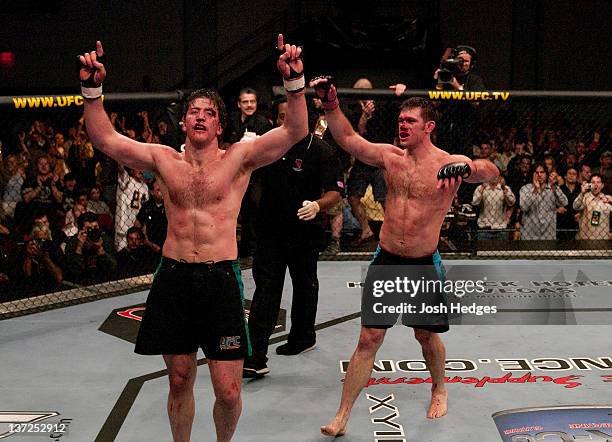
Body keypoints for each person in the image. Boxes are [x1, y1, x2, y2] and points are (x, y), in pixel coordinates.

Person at [78, 35, 307, 442]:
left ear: (219, 123)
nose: (200, 117)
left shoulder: (239, 158)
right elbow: (106, 139)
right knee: (180, 380)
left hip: (220, 279)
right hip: (175, 279)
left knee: (229, 389)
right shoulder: (163, 160)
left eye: (208, 113)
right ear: (183, 123)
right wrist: (92, 91)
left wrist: (295, 82)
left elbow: (295, 130)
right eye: (193, 113)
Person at [310, 77, 498, 436]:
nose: (402, 126)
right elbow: (349, 139)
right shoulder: (391, 157)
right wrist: (332, 106)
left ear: (428, 127)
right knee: (368, 339)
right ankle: (342, 414)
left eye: (410, 122)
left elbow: (491, 171)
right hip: (386, 259)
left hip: (423, 264)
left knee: (425, 336)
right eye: (400, 121)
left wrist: (470, 169)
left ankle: (439, 388)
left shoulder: (448, 163)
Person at [243, 98, 343, 377]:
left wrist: (318, 205)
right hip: (270, 231)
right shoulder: (269, 146)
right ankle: (255, 356)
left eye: (290, 115)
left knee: (305, 284)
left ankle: (303, 337)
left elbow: (335, 191)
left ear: (306, 119)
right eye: (280, 116)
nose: (285, 121)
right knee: (266, 289)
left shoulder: (322, 151)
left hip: (305, 231)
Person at [519, 163, 568, 240]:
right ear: (532, 174)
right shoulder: (525, 189)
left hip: (548, 234)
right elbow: (524, 208)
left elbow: (564, 202)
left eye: (542, 172)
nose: (539, 175)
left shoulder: (552, 187)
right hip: (529, 234)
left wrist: (554, 187)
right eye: (536, 172)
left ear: (546, 174)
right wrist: (535, 190)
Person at [573, 174, 610, 241]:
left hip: (602, 238)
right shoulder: (585, 197)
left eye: (598, 182)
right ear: (589, 185)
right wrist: (582, 193)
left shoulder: (607, 198)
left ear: (602, 185)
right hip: (585, 238)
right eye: (593, 182)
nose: (595, 184)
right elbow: (575, 207)